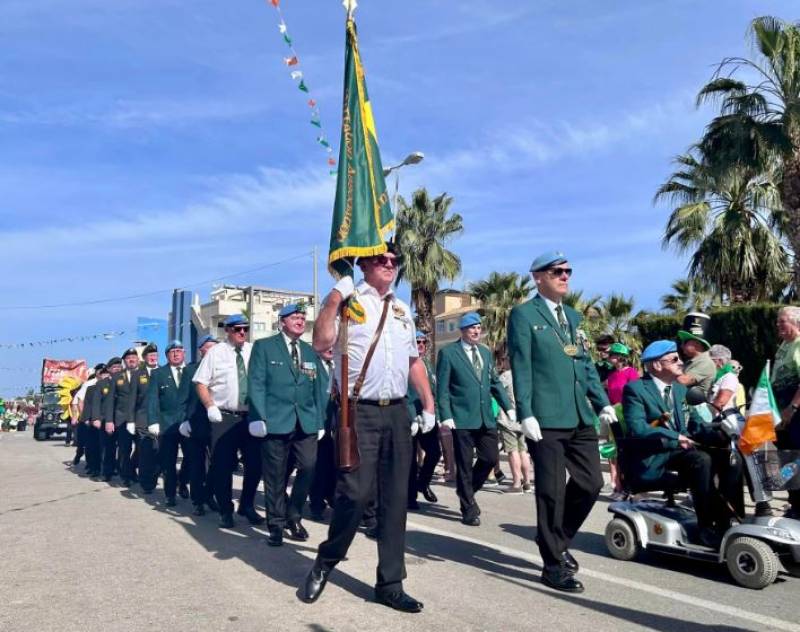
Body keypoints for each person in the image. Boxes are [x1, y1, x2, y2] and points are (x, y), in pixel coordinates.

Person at [301, 243, 435, 613]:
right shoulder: (349, 303)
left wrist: (428, 404)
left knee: (395, 500)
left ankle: (390, 583)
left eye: (394, 261)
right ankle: (327, 560)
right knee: (354, 495)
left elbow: (413, 361)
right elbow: (321, 341)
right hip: (358, 412)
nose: (390, 265)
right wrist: (335, 295)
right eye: (381, 259)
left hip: (396, 413)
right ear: (363, 263)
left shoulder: (402, 309)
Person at [507, 251, 616, 593]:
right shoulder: (524, 315)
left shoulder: (573, 316)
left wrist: (602, 402)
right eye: (558, 271)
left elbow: (584, 364)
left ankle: (554, 538)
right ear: (538, 276)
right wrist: (525, 412)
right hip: (546, 416)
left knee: (590, 483)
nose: (565, 276)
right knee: (551, 492)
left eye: (568, 271)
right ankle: (554, 565)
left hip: (578, 415)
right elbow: (521, 365)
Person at [622, 340, 723, 547]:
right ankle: (705, 527)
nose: (681, 362)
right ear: (657, 365)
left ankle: (727, 520)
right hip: (653, 458)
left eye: (680, 358)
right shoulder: (635, 389)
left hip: (678, 453)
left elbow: (693, 425)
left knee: (729, 457)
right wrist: (675, 437)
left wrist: (722, 430)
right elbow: (638, 428)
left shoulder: (678, 390)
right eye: (675, 358)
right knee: (701, 459)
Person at [248, 303, 326, 546]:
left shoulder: (310, 351)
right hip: (274, 421)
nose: (301, 320)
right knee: (275, 476)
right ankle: (277, 525)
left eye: (303, 317)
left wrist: (320, 420)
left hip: (306, 421)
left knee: (309, 467)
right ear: (282, 321)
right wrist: (258, 417)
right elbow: (256, 384)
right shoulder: (264, 347)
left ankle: (294, 513)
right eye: (295, 317)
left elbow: (318, 388)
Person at [437, 312, 515, 525]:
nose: (476, 331)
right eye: (472, 327)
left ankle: (466, 490)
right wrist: (445, 415)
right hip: (461, 418)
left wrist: (508, 407)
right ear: (462, 330)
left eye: (479, 327)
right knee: (464, 463)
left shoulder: (485, 352)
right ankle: (468, 508)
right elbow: (442, 389)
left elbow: (494, 382)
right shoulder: (449, 353)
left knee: (490, 458)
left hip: (485, 417)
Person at [193, 314, 263, 528]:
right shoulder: (216, 352)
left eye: (245, 329)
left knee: (255, 464)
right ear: (228, 331)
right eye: (237, 329)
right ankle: (225, 509)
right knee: (223, 466)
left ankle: (247, 505)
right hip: (224, 416)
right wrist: (210, 406)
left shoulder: (254, 351)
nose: (242, 332)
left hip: (250, 416)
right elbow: (200, 382)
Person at [708, 344, 761, 517]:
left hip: (730, 426)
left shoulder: (729, 376)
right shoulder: (715, 378)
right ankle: (727, 509)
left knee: (745, 466)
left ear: (719, 361)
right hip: (719, 427)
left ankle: (761, 504)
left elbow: (720, 402)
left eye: (711, 360)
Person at [179, 335, 219, 515]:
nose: (212, 351)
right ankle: (197, 500)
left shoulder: (223, 367)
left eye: (215, 347)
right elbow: (184, 398)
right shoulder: (191, 370)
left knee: (218, 464)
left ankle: (209, 494)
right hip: (196, 422)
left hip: (218, 424)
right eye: (208, 347)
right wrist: (185, 420)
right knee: (197, 464)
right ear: (201, 350)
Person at [147, 340, 190, 507]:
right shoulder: (158, 374)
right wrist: (153, 422)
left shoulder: (191, 370)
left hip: (188, 424)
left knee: (191, 459)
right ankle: (170, 493)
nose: (176, 353)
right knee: (168, 462)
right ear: (167, 355)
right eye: (172, 352)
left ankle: (183, 481)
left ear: (184, 353)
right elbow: (153, 400)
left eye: (179, 350)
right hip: (167, 425)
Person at [771, 305, 800, 519]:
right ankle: (795, 505)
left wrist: (792, 408)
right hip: (781, 417)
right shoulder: (783, 347)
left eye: (783, 321)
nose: (778, 324)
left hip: (795, 415)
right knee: (787, 460)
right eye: (778, 321)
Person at [407, 330, 441, 510]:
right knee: (410, 459)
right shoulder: (405, 363)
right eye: (417, 342)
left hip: (427, 417)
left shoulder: (428, 364)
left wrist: (439, 416)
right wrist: (412, 416)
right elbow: (403, 392)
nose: (420, 345)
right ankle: (410, 496)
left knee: (435, 452)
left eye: (423, 342)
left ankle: (423, 482)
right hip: (410, 416)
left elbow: (433, 392)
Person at [102, 348, 140, 486]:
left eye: (134, 357)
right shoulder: (117, 377)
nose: (131, 360)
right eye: (128, 358)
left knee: (142, 448)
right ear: (125, 361)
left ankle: (132, 468)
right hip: (122, 419)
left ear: (138, 360)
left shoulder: (145, 375)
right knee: (124, 449)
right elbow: (110, 400)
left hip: (140, 418)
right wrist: (109, 421)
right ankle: (126, 476)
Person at [308, 347, 338, 521]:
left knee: (335, 467)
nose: (330, 349)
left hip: (337, 425)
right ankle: (316, 504)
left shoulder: (338, 365)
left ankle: (332, 496)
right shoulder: (311, 365)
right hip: (319, 424)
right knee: (318, 468)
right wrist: (317, 422)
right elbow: (309, 393)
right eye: (326, 346)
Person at [496, 361, 533, 494]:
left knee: (513, 451)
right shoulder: (526, 375)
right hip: (523, 418)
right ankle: (527, 482)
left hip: (508, 420)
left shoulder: (506, 376)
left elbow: (495, 390)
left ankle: (516, 483)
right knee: (523, 450)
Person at [134, 343, 159, 494]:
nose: (153, 358)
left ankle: (154, 477)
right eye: (150, 355)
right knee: (145, 452)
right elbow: (132, 399)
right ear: (144, 358)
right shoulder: (139, 374)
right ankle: (146, 483)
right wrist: (131, 420)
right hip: (143, 419)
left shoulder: (163, 372)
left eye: (155, 355)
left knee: (159, 452)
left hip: (161, 419)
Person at [98, 357, 123, 482]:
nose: (117, 369)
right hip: (106, 419)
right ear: (108, 369)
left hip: (121, 420)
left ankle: (120, 469)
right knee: (108, 447)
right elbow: (97, 403)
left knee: (123, 447)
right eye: (114, 367)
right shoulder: (102, 383)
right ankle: (107, 471)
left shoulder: (126, 380)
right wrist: (96, 418)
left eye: (119, 367)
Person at [80, 364, 105, 477]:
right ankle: (93, 467)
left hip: (106, 421)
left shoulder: (112, 386)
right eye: (101, 372)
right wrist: (86, 418)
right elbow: (87, 404)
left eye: (105, 373)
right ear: (97, 374)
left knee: (104, 447)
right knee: (92, 446)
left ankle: (105, 467)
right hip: (93, 421)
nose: (103, 375)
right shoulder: (90, 387)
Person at [676, 327, 716, 395]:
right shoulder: (694, 361)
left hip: (695, 405)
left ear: (697, 343)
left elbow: (683, 381)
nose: (681, 346)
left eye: (685, 342)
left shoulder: (705, 362)